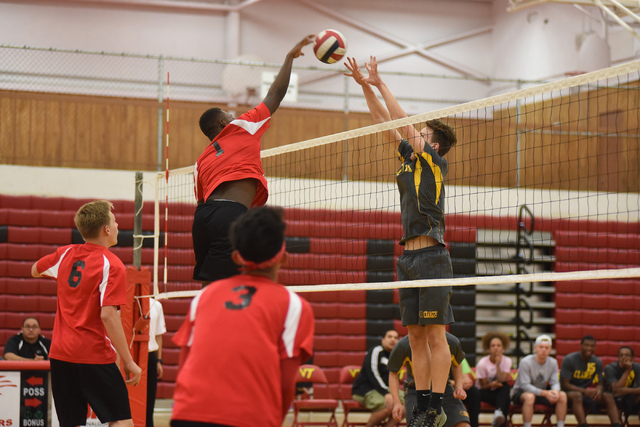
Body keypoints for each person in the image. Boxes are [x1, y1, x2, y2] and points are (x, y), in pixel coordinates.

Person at [344, 56, 457, 427]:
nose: (416, 135)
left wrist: (381, 82)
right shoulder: (411, 157)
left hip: (433, 257)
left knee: (436, 337)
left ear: (435, 145)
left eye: (422, 134)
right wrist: (363, 84)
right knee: (416, 337)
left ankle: (436, 404)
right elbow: (384, 120)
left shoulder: (434, 164)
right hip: (407, 259)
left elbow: (402, 122)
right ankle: (422, 403)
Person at [171, 206, 315, 427]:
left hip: (188, 414)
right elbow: (287, 383)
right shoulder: (293, 305)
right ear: (283, 258)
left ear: (236, 256)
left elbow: (185, 363)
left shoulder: (205, 296)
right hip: (250, 418)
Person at [191, 34, 315, 284]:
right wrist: (289, 58)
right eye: (230, 113)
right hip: (230, 215)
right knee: (230, 286)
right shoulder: (241, 126)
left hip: (202, 218)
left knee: (208, 287)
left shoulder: (200, 160)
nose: (234, 114)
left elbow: (202, 199)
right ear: (224, 122)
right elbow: (275, 94)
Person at [31, 200, 142, 427]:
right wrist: (129, 361)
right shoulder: (112, 264)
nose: (118, 224)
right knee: (122, 421)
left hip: (61, 354)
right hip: (93, 354)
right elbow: (108, 315)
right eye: (114, 220)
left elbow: (35, 270)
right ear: (106, 229)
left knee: (71, 423)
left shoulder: (65, 254)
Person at [387, 332, 471, 427]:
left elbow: (457, 363)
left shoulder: (451, 341)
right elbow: (393, 373)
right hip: (415, 390)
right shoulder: (404, 344)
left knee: (463, 425)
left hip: (444, 388)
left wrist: (459, 386)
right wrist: (397, 403)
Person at [560, 335, 620, 427]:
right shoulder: (569, 359)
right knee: (577, 396)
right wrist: (584, 391)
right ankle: (583, 425)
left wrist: (599, 391)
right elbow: (564, 384)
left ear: (595, 347)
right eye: (586, 345)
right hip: (569, 393)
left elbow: (600, 383)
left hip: (585, 393)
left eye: (592, 346)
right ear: (580, 346)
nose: (589, 348)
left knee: (608, 396)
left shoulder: (597, 361)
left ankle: (616, 425)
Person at [511, 335, 567, 427]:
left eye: (546, 348)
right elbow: (525, 385)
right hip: (521, 393)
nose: (544, 350)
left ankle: (560, 425)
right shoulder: (526, 362)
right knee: (530, 397)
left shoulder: (553, 362)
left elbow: (555, 382)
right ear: (535, 348)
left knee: (562, 395)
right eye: (541, 347)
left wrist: (555, 391)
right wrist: (545, 393)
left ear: (550, 349)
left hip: (541, 393)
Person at [352, 330, 401, 427]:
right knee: (388, 406)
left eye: (395, 338)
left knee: (406, 404)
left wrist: (391, 392)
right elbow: (373, 374)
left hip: (386, 389)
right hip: (365, 389)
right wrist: (385, 393)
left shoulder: (396, 355)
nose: (393, 340)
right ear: (383, 340)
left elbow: (395, 377)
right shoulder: (376, 351)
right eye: (389, 337)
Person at [472, 332, 512, 427]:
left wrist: (497, 364)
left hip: (498, 393)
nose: (496, 348)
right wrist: (491, 385)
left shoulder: (507, 361)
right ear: (489, 348)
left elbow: (503, 379)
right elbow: (483, 386)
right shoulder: (482, 363)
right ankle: (499, 416)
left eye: (499, 345)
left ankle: (499, 413)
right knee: (504, 397)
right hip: (484, 392)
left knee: (505, 389)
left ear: (503, 348)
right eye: (493, 346)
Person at [604, 346, 640, 420]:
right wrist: (627, 370)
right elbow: (616, 389)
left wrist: (627, 390)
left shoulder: (638, 368)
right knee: (617, 399)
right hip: (613, 396)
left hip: (631, 395)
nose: (624, 357)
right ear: (618, 357)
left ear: (632, 358)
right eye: (621, 355)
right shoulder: (610, 368)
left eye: (627, 355)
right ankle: (617, 424)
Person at [147, 297, 167, 427]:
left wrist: (159, 360)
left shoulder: (156, 305)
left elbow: (158, 335)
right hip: (128, 357)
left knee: (149, 404)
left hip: (150, 358)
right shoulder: (122, 302)